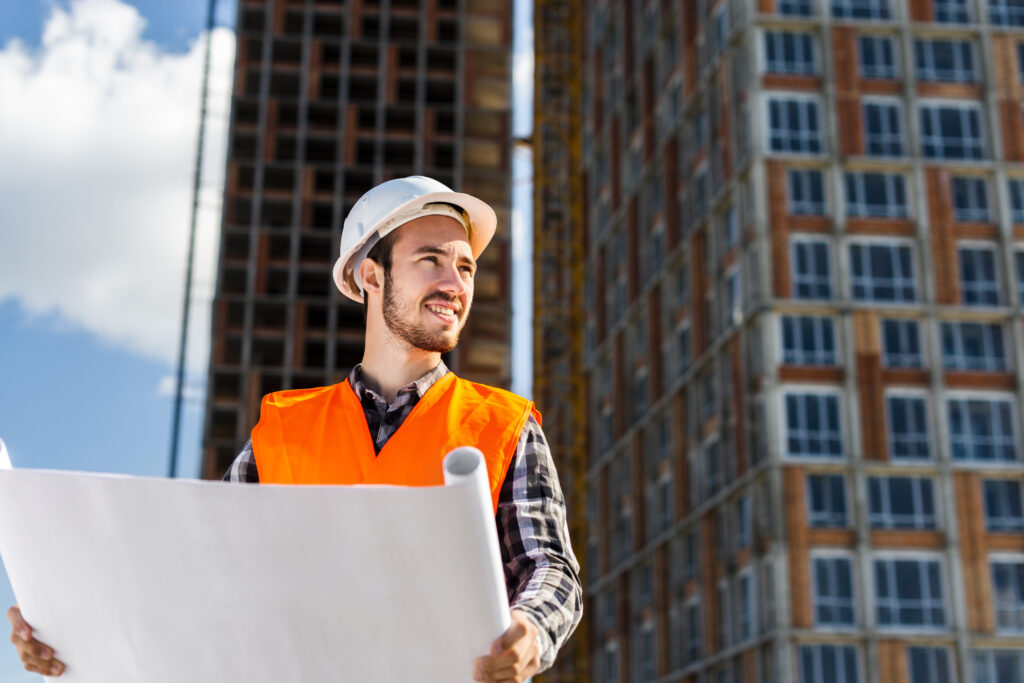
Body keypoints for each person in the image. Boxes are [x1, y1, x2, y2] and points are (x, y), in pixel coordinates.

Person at [8, 176, 583, 682]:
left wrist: (529, 630)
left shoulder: (502, 424)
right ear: (370, 275)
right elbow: (195, 567)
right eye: (431, 259)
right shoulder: (284, 428)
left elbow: (550, 569)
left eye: (465, 267)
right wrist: (69, 630)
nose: (455, 284)